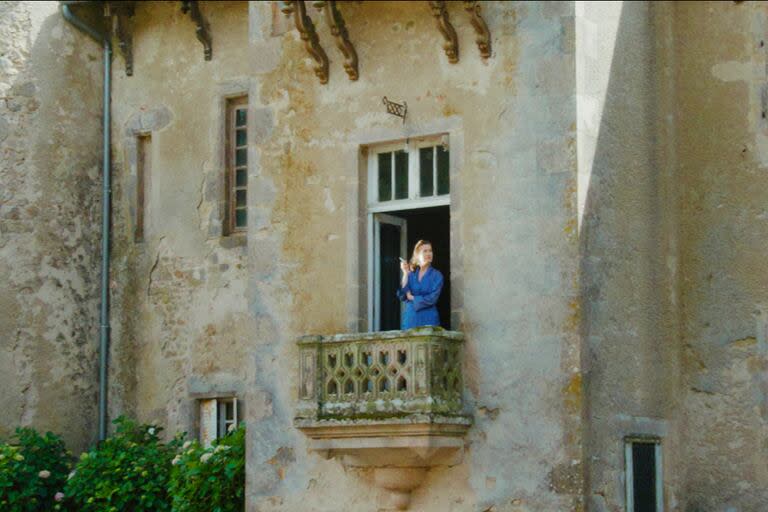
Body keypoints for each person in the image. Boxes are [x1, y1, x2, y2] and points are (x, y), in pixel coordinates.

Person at [397, 240, 444, 329]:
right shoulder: (411, 274)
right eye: (425, 251)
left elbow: (432, 298)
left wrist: (412, 297)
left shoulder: (437, 275)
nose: (429, 253)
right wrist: (405, 273)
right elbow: (402, 296)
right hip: (411, 318)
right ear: (417, 255)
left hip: (429, 319)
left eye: (430, 250)